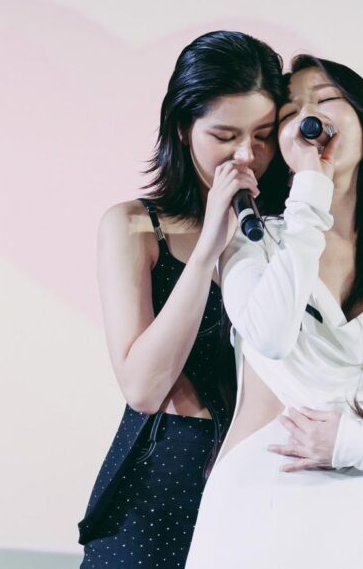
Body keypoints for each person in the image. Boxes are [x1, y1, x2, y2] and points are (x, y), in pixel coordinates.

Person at [185, 55, 363, 568]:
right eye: (290, 112)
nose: (308, 117)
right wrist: (310, 191)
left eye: (325, 99)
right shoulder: (252, 242)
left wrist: (358, 446)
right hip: (259, 505)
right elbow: (270, 336)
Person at [77, 30, 288, 567]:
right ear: (181, 127)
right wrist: (207, 249)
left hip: (260, 480)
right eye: (224, 135)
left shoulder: (292, 234)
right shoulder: (134, 226)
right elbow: (144, 388)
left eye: (264, 135)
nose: (247, 155)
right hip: (161, 478)